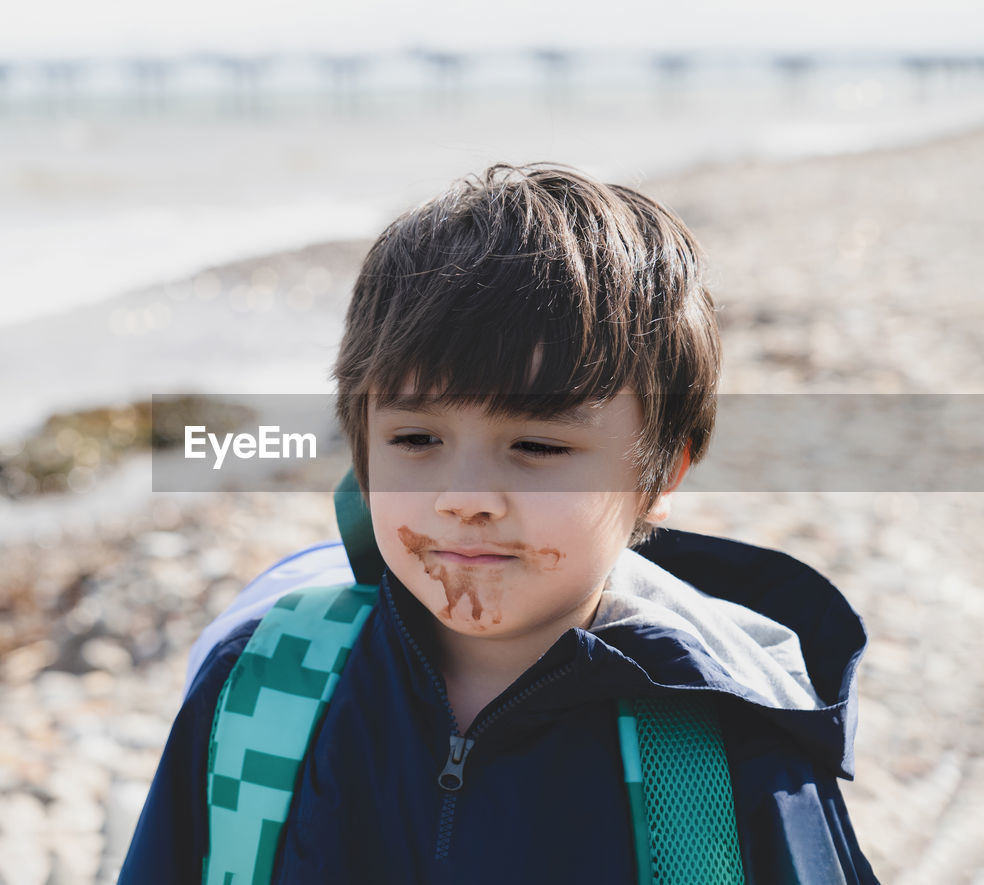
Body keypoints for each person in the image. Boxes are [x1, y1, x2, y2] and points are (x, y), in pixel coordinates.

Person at [118, 164, 878, 883]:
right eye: (417, 440)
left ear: (662, 474)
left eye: (538, 445)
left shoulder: (730, 744)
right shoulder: (263, 687)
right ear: (362, 447)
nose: (465, 496)